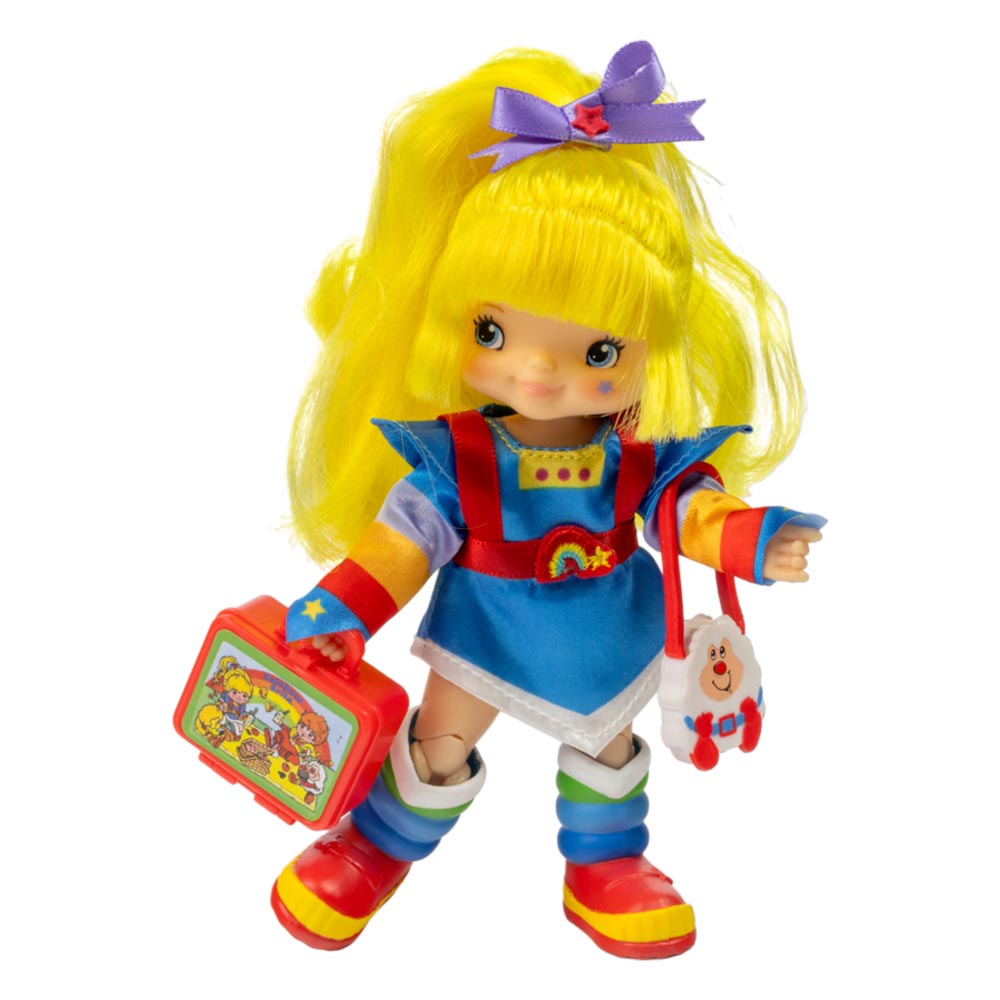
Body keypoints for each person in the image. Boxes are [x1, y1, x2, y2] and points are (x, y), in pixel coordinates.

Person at [269, 41, 823, 959]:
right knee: (439, 742)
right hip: (485, 627)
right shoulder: (460, 458)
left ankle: (607, 865)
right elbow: (402, 542)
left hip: (606, 627)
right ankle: (375, 846)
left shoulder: (633, 453)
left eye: (598, 351)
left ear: (652, 347)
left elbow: (686, 510)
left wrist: (748, 540)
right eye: (494, 331)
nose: (537, 371)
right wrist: (343, 608)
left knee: (608, 746)